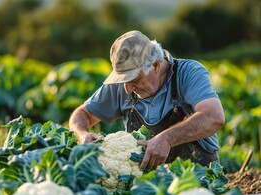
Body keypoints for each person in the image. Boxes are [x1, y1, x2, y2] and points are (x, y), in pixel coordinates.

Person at [69, 30, 225, 170]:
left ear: (156, 65)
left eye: (134, 79)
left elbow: (213, 117)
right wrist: (82, 134)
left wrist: (167, 139)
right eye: (122, 79)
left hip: (198, 183)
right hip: (145, 189)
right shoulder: (122, 85)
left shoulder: (188, 73)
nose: (127, 89)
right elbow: (83, 114)